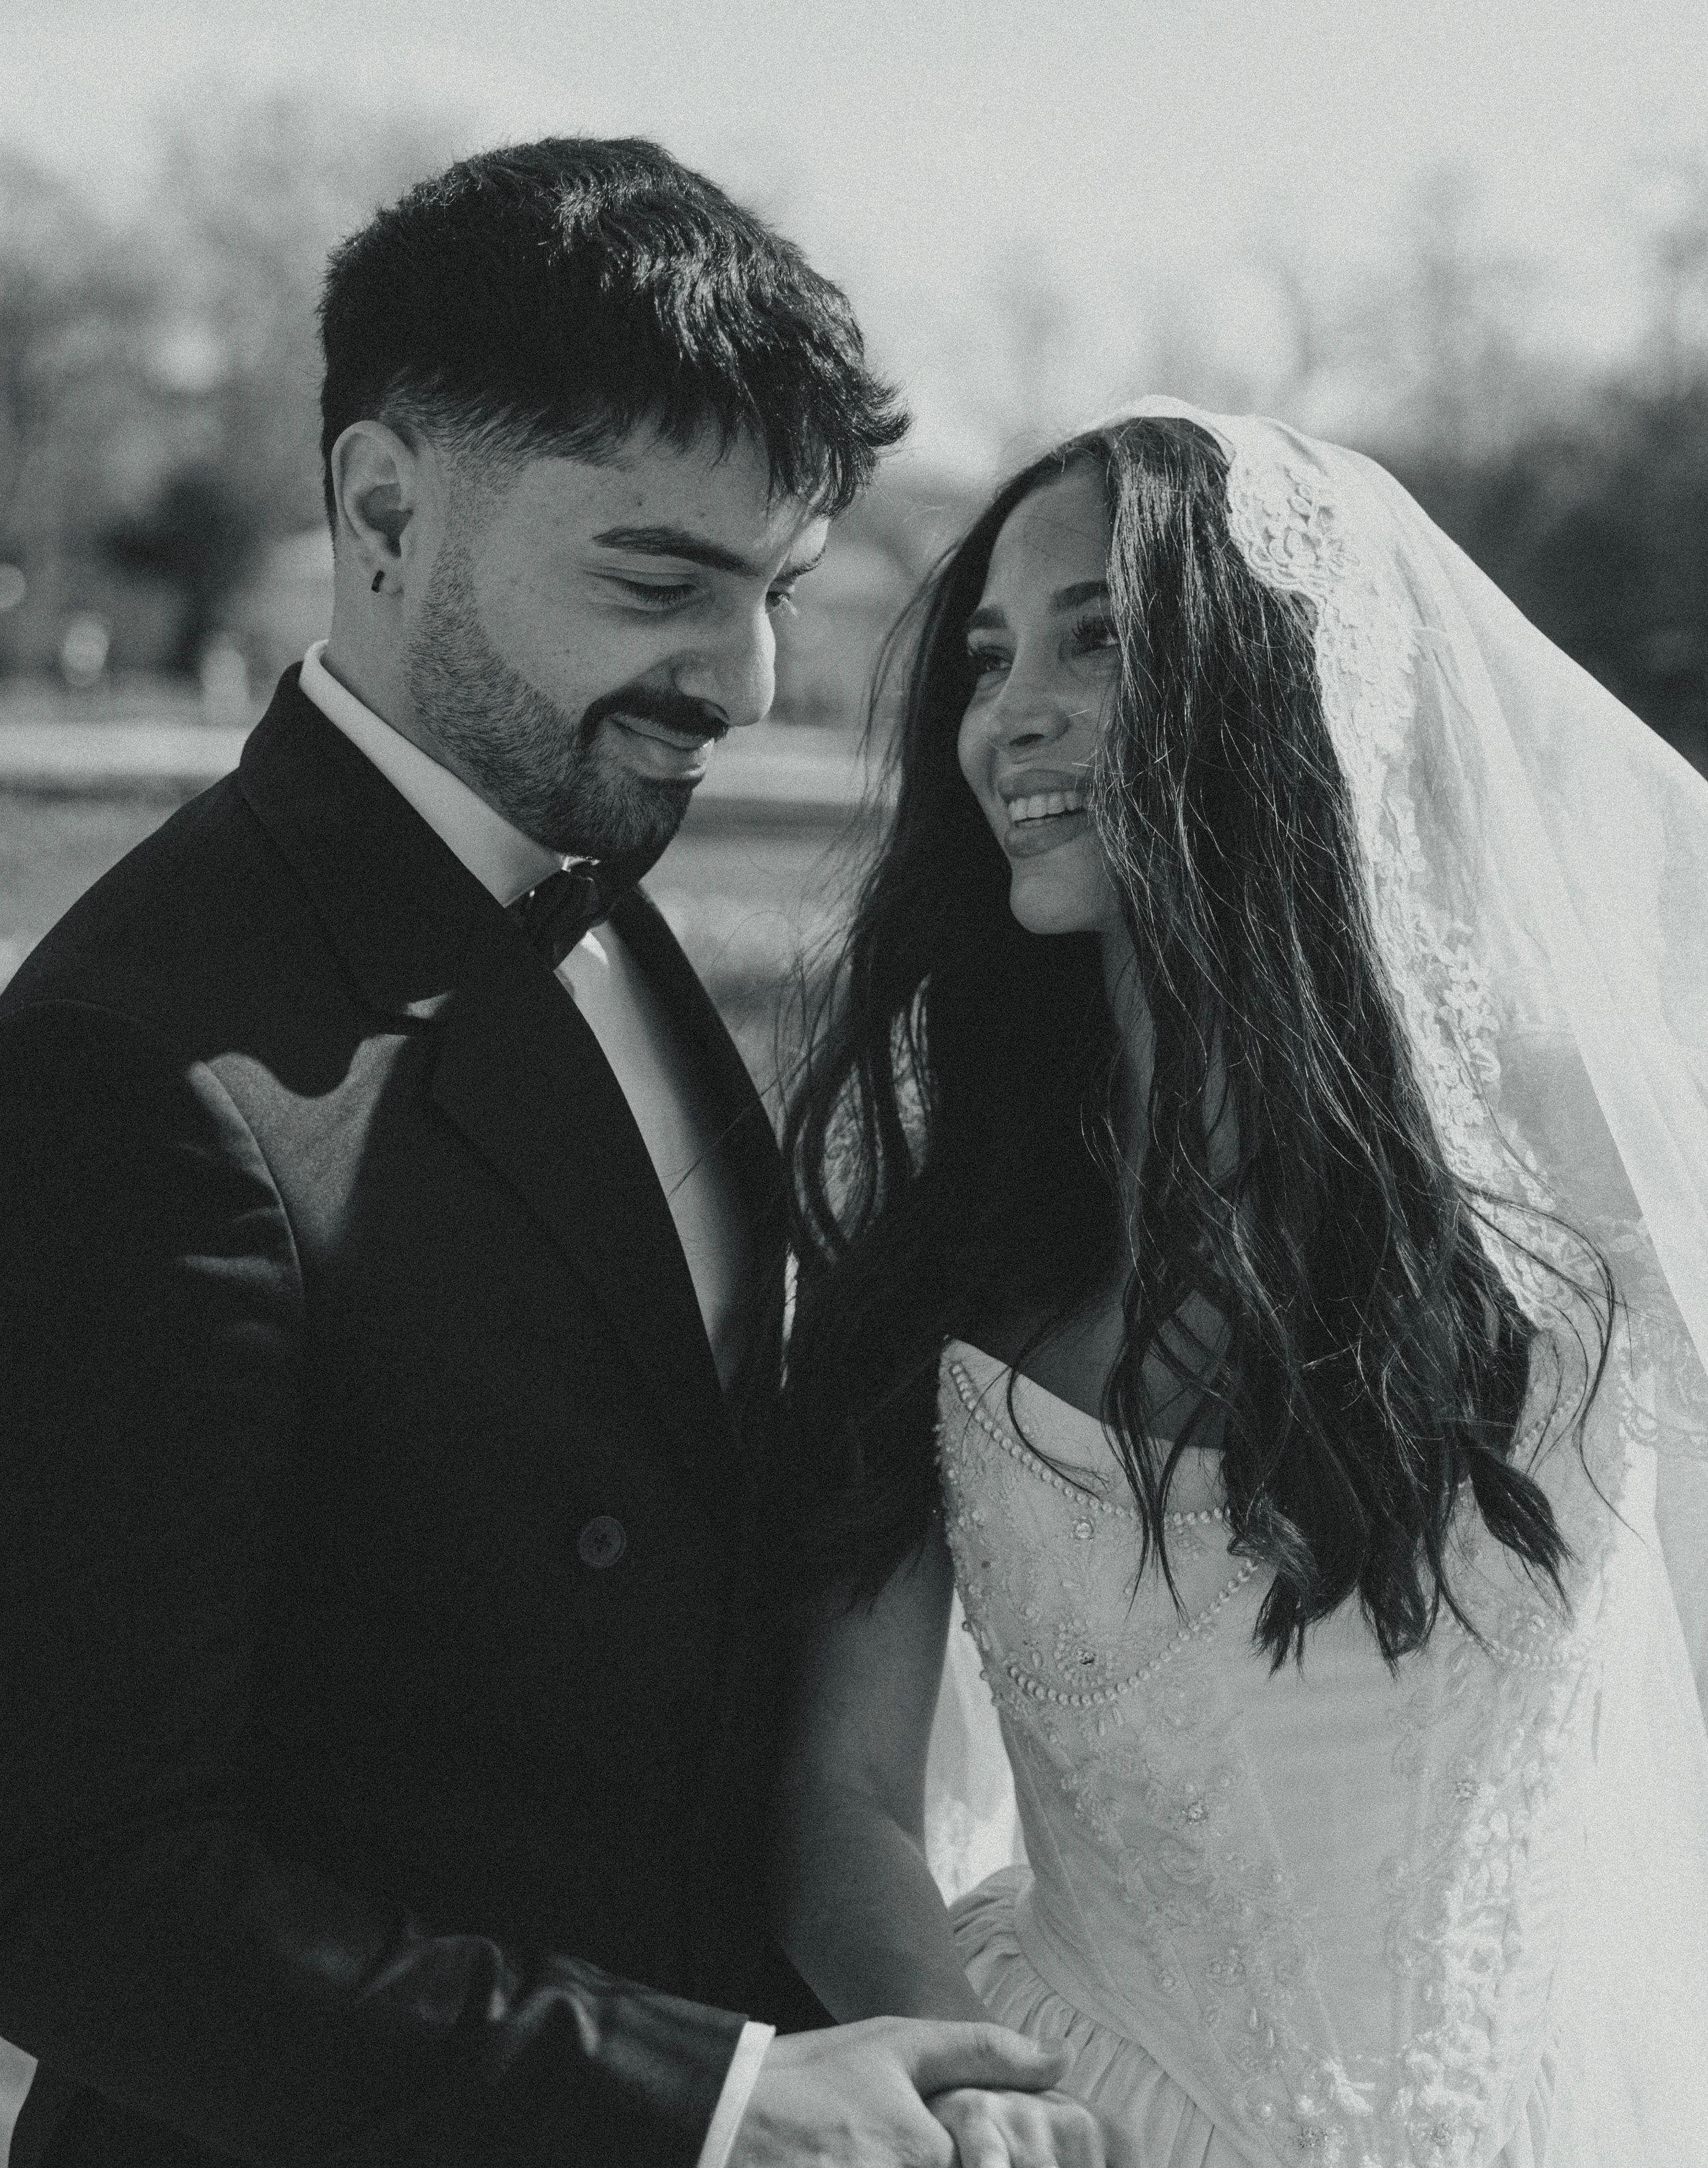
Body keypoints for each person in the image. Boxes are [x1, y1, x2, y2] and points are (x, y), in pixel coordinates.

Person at [0, 138, 1073, 2168]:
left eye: (771, 592)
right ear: (385, 512)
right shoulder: (133, 1064)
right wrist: (712, 2101)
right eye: (657, 584)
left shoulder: (602, 899)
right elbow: (67, 1884)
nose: (743, 681)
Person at [774, 401, 1708, 2167]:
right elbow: (839, 1804)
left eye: (1094, 639)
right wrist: (982, 2095)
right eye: (986, 660)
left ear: (1279, 690)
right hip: (1095, 2123)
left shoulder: (1582, 1172)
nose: (1008, 715)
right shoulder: (949, 1248)